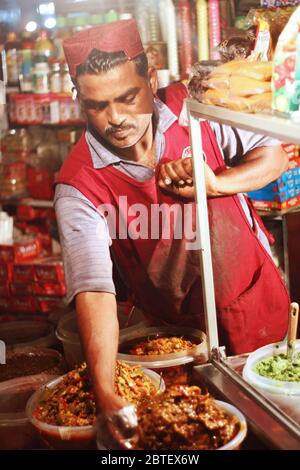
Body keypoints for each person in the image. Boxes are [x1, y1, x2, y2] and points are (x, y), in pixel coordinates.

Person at [55, 20, 290, 422]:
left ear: (150, 78)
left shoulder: (195, 108)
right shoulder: (79, 184)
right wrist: (106, 390)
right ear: (78, 100)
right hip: (176, 345)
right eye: (96, 105)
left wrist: (215, 184)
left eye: (127, 97)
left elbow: (275, 157)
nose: (115, 118)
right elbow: (94, 290)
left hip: (257, 302)